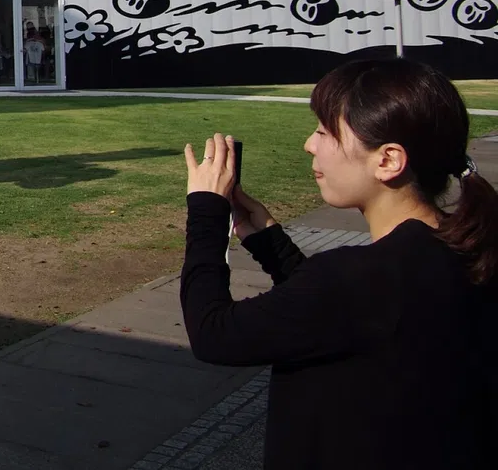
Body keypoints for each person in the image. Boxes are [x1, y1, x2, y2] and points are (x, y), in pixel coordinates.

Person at [179, 59, 498, 468]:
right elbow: (338, 316)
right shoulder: (465, 246)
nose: (310, 145)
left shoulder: (363, 277)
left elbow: (213, 334)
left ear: (387, 160)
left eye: (325, 132)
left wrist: (205, 214)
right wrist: (269, 241)